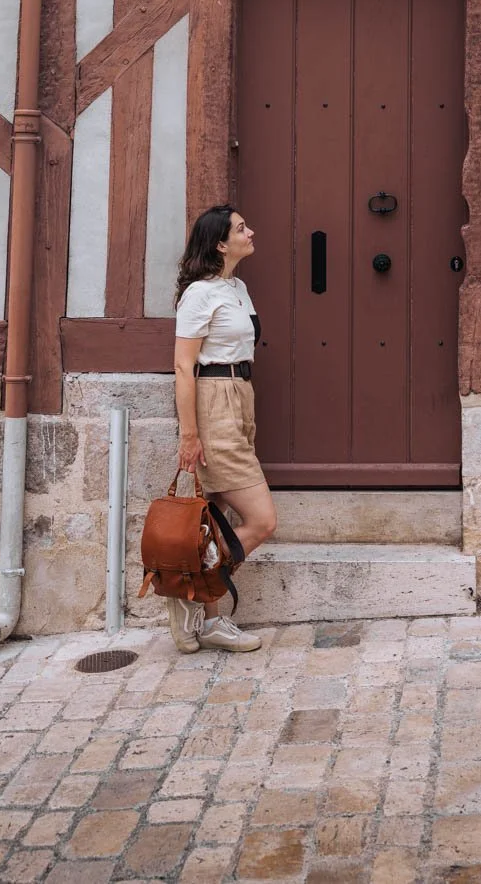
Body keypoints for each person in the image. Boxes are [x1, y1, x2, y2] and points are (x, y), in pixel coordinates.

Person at [168, 205, 277, 653]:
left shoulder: (237, 288)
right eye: (241, 228)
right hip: (214, 400)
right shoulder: (199, 294)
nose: (250, 232)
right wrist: (189, 434)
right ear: (220, 243)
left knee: (213, 519)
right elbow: (183, 365)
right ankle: (190, 589)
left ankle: (209, 620)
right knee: (262, 520)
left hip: (239, 396)